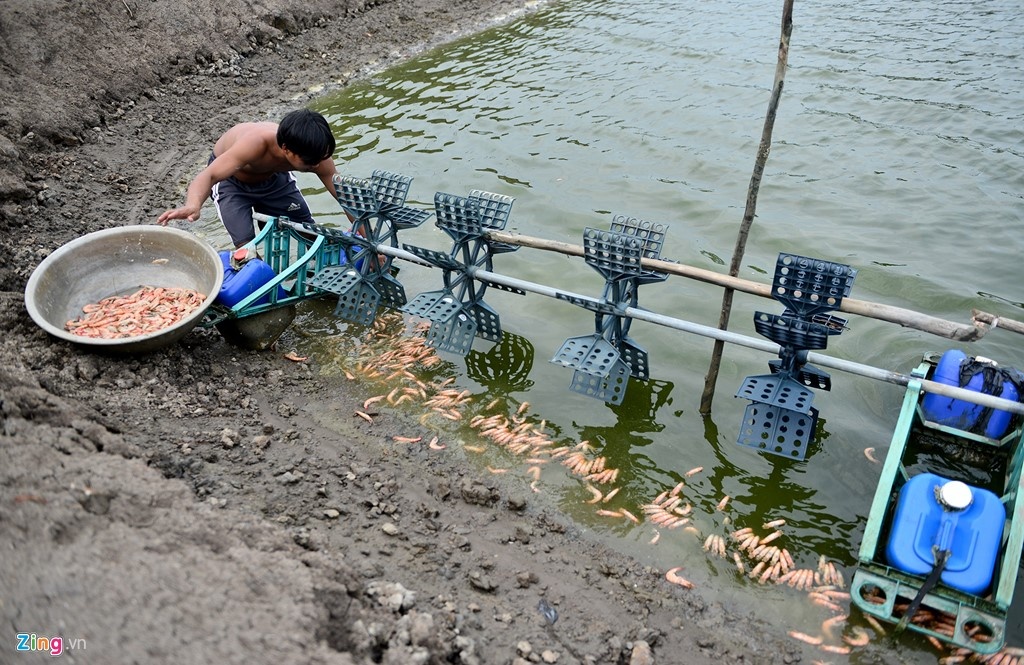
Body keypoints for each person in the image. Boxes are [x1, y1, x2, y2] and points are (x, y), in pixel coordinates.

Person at [158, 109, 339, 249]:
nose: (316, 165)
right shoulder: (255, 144)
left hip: (274, 181)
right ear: (286, 149)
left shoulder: (317, 156)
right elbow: (209, 175)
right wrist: (193, 205)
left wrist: (367, 241)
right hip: (232, 182)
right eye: (309, 161)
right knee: (245, 245)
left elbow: (347, 200)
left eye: (320, 159)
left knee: (307, 230)